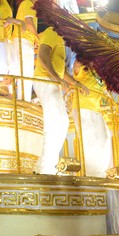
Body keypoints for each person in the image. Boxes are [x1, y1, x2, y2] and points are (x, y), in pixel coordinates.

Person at [32, 26, 83, 174]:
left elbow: (62, 70)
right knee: (54, 121)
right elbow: (42, 56)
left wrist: (77, 83)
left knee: (62, 122)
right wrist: (58, 80)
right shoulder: (51, 32)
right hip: (45, 80)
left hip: (53, 83)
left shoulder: (61, 40)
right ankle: (45, 167)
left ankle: (45, 163)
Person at [71, 61, 113, 178]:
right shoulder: (85, 69)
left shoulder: (101, 75)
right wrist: (79, 63)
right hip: (82, 107)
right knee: (89, 141)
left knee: (105, 137)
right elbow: (76, 70)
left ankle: (100, 173)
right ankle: (91, 174)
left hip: (96, 110)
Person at [10, 0, 39, 101]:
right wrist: (38, 38)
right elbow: (29, 23)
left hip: (25, 40)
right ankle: (24, 100)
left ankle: (24, 98)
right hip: (24, 39)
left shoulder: (29, 5)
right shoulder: (28, 4)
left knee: (24, 70)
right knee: (25, 71)